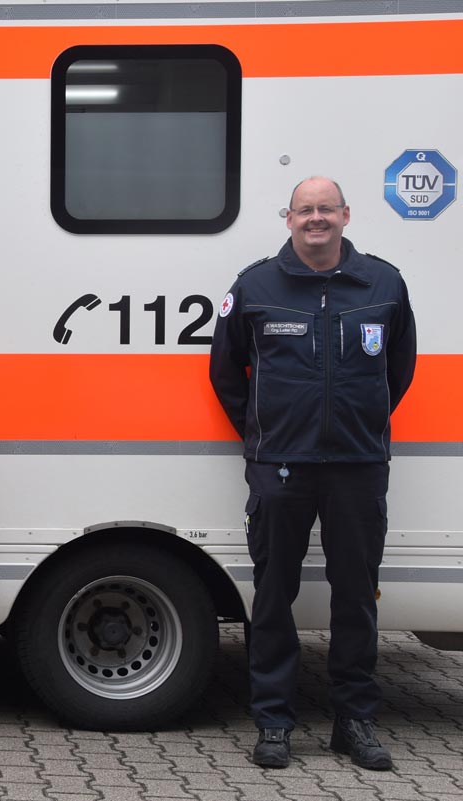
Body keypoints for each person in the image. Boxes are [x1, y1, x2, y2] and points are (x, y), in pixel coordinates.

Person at [209, 177, 416, 771]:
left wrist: (364, 422)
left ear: (346, 215)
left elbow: (398, 368)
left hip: (357, 466)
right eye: (306, 210)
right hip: (281, 467)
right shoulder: (255, 285)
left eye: (327, 209)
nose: (316, 219)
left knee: (356, 598)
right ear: (289, 218)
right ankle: (274, 723)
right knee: (274, 597)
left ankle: (355, 723)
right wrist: (260, 435)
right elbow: (226, 371)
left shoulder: (383, 283)